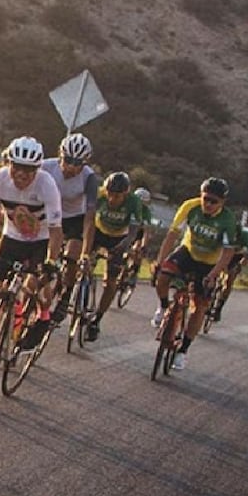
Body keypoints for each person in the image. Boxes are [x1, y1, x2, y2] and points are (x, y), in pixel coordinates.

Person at [0, 136, 63, 377]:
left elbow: (55, 230)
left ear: (37, 169)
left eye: (28, 170)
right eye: (17, 168)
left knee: (35, 287)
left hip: (40, 241)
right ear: (8, 163)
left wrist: (51, 261)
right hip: (11, 238)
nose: (21, 175)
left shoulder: (47, 185)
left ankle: (43, 316)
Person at [152, 177, 239, 370]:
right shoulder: (190, 207)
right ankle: (164, 307)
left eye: (213, 201)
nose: (208, 204)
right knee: (163, 275)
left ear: (222, 202)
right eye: (205, 198)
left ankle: (183, 351)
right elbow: (172, 234)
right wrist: (160, 261)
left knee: (199, 305)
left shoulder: (227, 220)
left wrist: (214, 274)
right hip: (188, 252)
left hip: (209, 263)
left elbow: (228, 252)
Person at [83, 172, 148, 341]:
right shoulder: (100, 195)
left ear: (126, 194)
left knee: (110, 281)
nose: (112, 199)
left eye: (117, 196)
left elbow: (133, 231)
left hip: (119, 238)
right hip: (99, 232)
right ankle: (79, 290)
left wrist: (124, 246)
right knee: (81, 261)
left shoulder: (133, 202)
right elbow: (87, 219)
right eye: (110, 194)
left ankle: (97, 319)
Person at [45, 133, 99, 322]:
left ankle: (65, 296)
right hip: (50, 215)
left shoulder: (89, 178)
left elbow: (90, 219)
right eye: (68, 160)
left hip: (75, 218)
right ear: (60, 156)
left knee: (71, 258)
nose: (72, 167)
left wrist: (85, 253)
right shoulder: (46, 167)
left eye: (78, 163)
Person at [211, 218, 248, 322]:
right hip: (222, 254)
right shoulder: (223, 232)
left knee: (229, 281)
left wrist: (241, 264)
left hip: (236, 258)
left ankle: (219, 307)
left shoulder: (245, 236)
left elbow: (246, 256)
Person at [127, 187, 155, 285]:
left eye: (144, 203)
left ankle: (134, 272)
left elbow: (146, 230)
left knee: (137, 249)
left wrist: (143, 245)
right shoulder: (128, 206)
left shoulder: (146, 212)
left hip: (138, 233)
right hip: (126, 231)